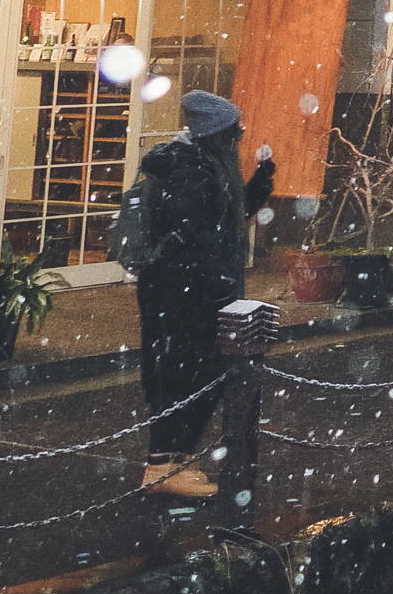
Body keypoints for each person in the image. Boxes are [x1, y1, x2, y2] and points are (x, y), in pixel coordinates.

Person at [121, 90, 273, 497]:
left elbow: (221, 218)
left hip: (183, 288)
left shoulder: (199, 165)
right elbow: (197, 233)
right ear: (216, 132)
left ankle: (172, 463)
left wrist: (261, 182)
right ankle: (162, 467)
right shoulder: (192, 170)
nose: (239, 136)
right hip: (184, 292)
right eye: (234, 131)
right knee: (185, 374)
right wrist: (215, 285)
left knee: (189, 374)